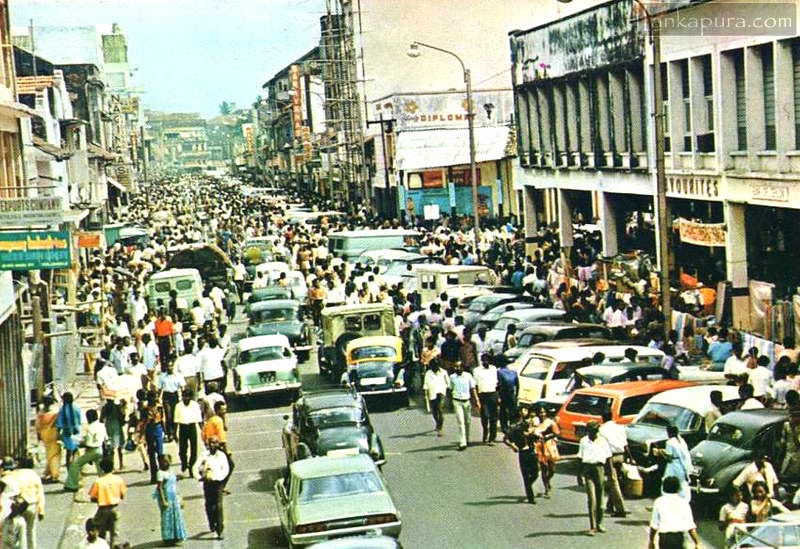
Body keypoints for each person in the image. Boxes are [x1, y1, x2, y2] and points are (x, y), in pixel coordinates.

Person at [578, 421, 611, 535]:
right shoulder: (583, 441)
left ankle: (600, 523)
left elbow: (608, 457)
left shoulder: (603, 441)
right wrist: (579, 475)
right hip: (588, 469)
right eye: (592, 431)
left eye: (596, 430)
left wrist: (610, 473)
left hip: (599, 468)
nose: (595, 433)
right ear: (588, 431)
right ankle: (592, 526)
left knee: (600, 498)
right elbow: (580, 458)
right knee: (592, 499)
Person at [648, 476, 701, 549]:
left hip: (665, 539)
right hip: (679, 538)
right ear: (678, 488)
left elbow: (654, 525)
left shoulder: (659, 502)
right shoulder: (684, 503)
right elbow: (690, 525)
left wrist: (651, 541)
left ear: (663, 487)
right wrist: (697, 542)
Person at [2, 457, 43, 549]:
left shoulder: (15, 475)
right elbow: (40, 492)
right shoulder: (34, 475)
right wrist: (41, 510)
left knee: (18, 532)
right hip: (32, 504)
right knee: (31, 531)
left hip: (19, 505)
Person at [64, 409, 107, 492]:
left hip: (92, 450)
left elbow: (88, 442)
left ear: (88, 418)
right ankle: (105, 486)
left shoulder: (89, 428)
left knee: (75, 465)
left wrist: (78, 443)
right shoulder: (102, 425)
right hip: (100, 449)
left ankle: (72, 485)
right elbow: (105, 438)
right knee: (100, 470)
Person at [87, 458, 126, 547]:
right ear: (112, 468)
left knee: (101, 534)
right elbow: (122, 495)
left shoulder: (98, 482)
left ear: (102, 469)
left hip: (102, 509)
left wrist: (102, 498)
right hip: (115, 509)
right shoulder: (119, 479)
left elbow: (92, 498)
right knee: (114, 534)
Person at [198, 436, 229, 540]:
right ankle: (212, 523)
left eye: (215, 443)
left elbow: (225, 470)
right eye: (211, 443)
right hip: (207, 483)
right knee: (209, 505)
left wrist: (218, 478)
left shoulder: (222, 456)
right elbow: (196, 467)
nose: (212, 445)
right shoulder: (204, 455)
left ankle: (220, 530)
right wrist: (201, 476)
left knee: (218, 506)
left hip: (218, 483)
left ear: (218, 444)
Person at [154, 456, 188, 546]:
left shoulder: (171, 471)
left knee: (176, 516)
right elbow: (160, 488)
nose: (166, 464)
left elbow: (174, 485)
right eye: (163, 462)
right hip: (167, 497)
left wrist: (180, 498)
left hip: (174, 497)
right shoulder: (160, 473)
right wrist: (163, 500)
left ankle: (176, 536)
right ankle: (168, 538)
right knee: (167, 517)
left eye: (167, 462)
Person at [448, 361, 480, 451]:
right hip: (457, 401)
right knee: (461, 422)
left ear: (463, 367)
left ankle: (467, 439)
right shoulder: (452, 377)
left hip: (467, 401)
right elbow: (450, 389)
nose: (457, 368)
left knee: (468, 421)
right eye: (455, 367)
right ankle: (463, 442)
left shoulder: (468, 376)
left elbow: (473, 388)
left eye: (459, 367)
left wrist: (477, 400)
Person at [656, 425, 693, 501]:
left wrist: (660, 452)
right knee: (681, 483)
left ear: (669, 432)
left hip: (673, 465)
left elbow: (669, 458)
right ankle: (684, 499)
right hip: (681, 465)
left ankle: (665, 500)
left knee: (666, 481)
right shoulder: (681, 441)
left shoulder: (669, 442)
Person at [174, 390, 203, 477]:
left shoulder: (195, 405)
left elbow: (199, 419)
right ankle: (184, 462)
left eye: (187, 396)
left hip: (192, 427)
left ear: (190, 397)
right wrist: (175, 433)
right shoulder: (178, 406)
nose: (185, 398)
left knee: (194, 449)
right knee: (182, 450)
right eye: (184, 396)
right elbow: (176, 420)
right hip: (183, 428)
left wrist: (203, 431)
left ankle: (191, 467)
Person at [533, 408, 560, 498]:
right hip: (539, 447)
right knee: (544, 468)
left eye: (543, 412)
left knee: (552, 469)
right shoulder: (535, 423)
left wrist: (546, 436)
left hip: (549, 446)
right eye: (540, 412)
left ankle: (548, 480)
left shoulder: (550, 422)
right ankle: (546, 490)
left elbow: (556, 433)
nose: (542, 414)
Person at [473, 354, 499, 444]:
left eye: (487, 360)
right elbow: (475, 385)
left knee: (494, 417)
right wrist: (476, 399)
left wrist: (498, 396)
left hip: (493, 394)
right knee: (485, 416)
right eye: (484, 360)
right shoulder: (477, 370)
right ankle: (485, 432)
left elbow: (497, 383)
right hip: (482, 395)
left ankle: (492, 437)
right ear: (481, 361)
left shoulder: (494, 369)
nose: (486, 362)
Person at [508, 427, 538, 505]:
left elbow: (539, 438)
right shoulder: (517, 433)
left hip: (532, 453)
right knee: (526, 476)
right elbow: (506, 439)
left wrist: (533, 433)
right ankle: (530, 498)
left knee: (535, 474)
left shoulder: (531, 435)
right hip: (523, 454)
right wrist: (513, 446)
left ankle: (528, 485)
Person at [35, 397, 61, 483]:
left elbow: (37, 426)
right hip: (52, 434)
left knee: (49, 454)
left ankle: (48, 472)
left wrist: (39, 436)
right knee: (54, 455)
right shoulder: (54, 413)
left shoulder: (41, 413)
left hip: (44, 434)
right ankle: (54, 475)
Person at [422, 359, 448, 436]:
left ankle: (440, 428)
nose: (435, 367)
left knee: (440, 409)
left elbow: (448, 382)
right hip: (432, 393)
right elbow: (425, 384)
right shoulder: (428, 373)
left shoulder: (443, 372)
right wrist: (425, 394)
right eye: (433, 366)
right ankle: (437, 423)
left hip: (441, 392)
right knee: (434, 411)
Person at [55, 392, 82, 467]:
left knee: (68, 451)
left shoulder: (62, 409)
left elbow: (59, 424)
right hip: (76, 432)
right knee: (75, 450)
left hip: (67, 433)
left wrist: (57, 434)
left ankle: (69, 467)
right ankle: (76, 466)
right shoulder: (77, 407)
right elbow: (79, 421)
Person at [100, 399, 126, 471]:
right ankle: (121, 464)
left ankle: (112, 466)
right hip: (117, 427)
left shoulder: (104, 408)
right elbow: (122, 418)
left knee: (110, 448)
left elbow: (101, 420)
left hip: (108, 427)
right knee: (120, 446)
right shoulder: (117, 407)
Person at [497, 357, 519, 435]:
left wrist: (498, 396)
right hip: (511, 393)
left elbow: (498, 385)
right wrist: (516, 395)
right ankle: (512, 427)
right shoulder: (513, 372)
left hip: (503, 394)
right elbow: (517, 385)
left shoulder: (499, 372)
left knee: (503, 412)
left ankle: (505, 428)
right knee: (512, 411)